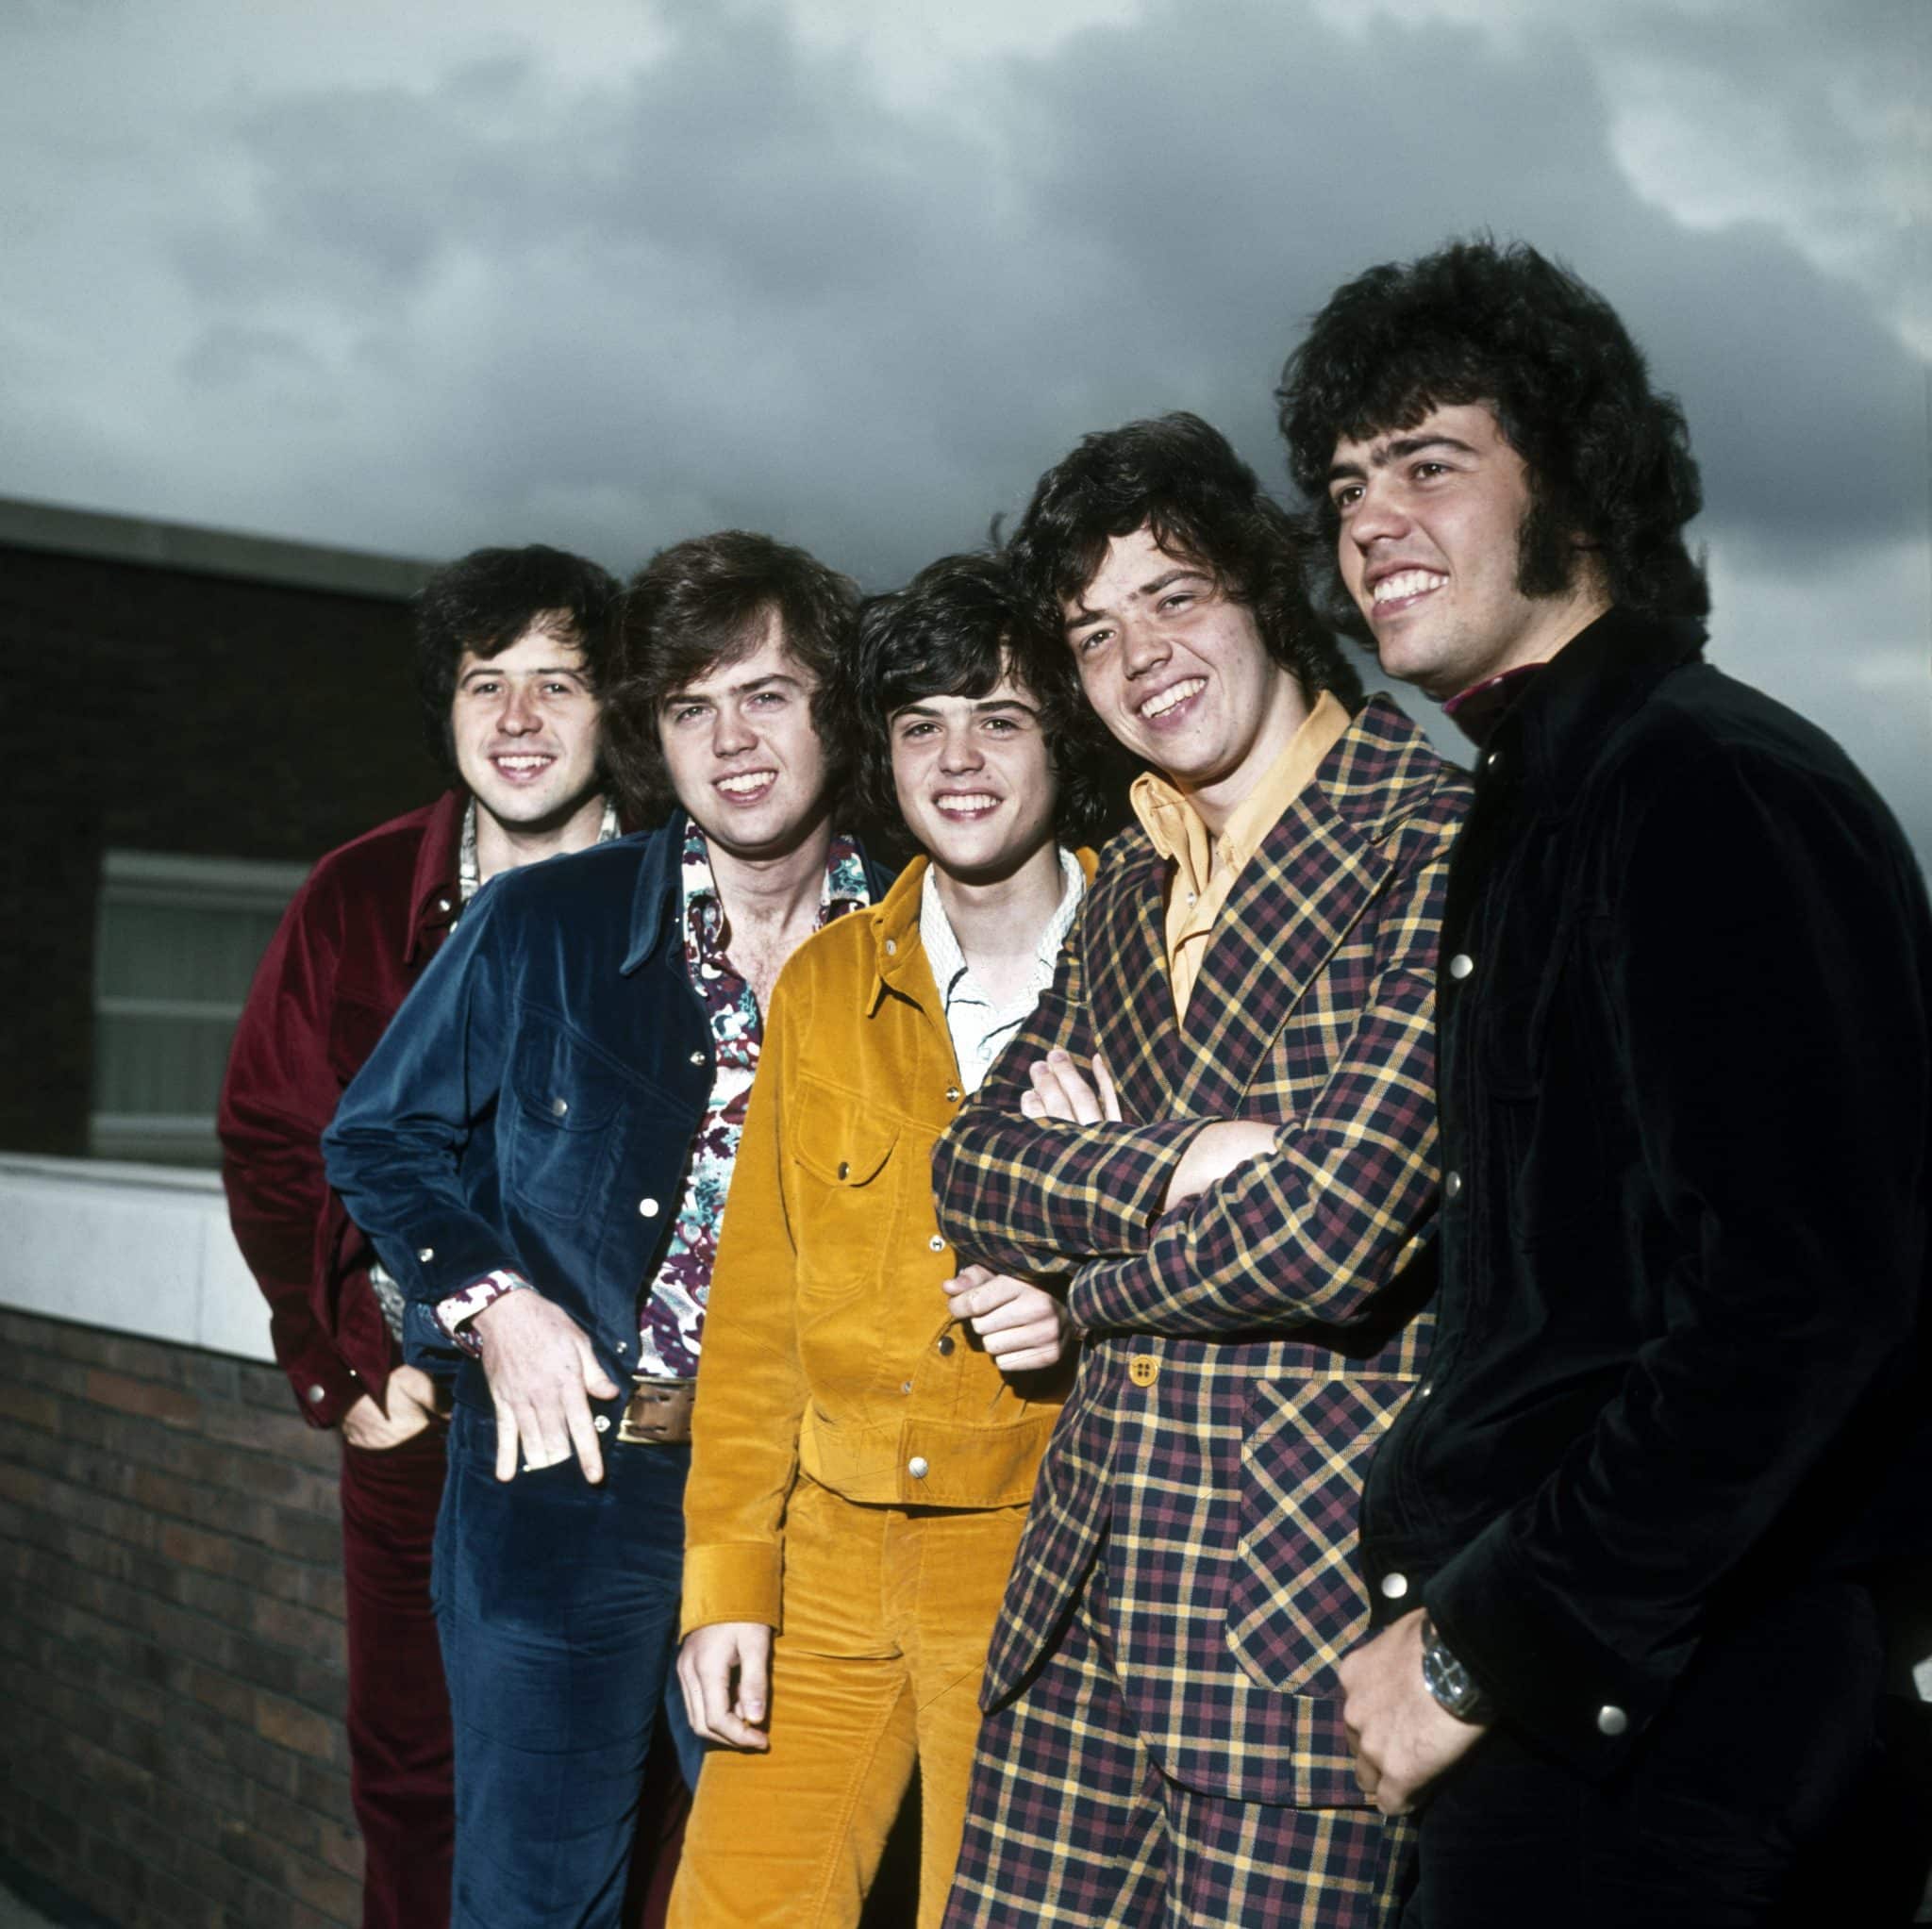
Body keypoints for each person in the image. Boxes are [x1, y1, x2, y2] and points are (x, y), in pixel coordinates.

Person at [1277, 235, 1932, 1925]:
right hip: (1591, 1715)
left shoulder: (1702, 786)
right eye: (1349, 484)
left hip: (1684, 1730)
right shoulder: (1545, 792)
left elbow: (1797, 1303)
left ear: (1568, 480)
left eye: (1432, 463)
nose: (1371, 522)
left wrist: (1486, 1649)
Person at [932, 415, 1474, 1926]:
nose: (1139, 656)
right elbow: (966, 1165)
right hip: (1080, 1601)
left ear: (1265, 587)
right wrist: (1173, 1162)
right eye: (1094, 632)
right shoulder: (1119, 892)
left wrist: (1083, 1257)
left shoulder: (1440, 841)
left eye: (1174, 596)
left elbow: (1331, 1229)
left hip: (1286, 1637)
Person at [323, 529, 891, 1929]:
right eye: (690, 708)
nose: (732, 741)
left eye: (768, 694)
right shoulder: (545, 919)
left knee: (785, 1897)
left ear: (838, 708)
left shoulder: (912, 934)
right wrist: (493, 1302)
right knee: (532, 1899)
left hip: (802, 1505)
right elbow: (372, 1135)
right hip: (562, 1491)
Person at [668, 552, 1114, 1927]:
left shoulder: (1150, 965)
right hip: (828, 1556)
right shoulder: (823, 982)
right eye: (922, 724)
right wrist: (727, 1584)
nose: (959, 759)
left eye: (999, 717)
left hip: (1039, 1554)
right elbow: (754, 1320)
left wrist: (1087, 1281)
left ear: (1061, 739)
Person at [218, 542, 625, 1929]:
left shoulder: (678, 885)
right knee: (415, 1784)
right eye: (483, 682)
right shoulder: (357, 893)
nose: (517, 718)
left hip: (626, 1441)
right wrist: (341, 1368)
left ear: (612, 702)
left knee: (636, 1797)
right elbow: (272, 1133)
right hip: (422, 1422)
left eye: (555, 681)